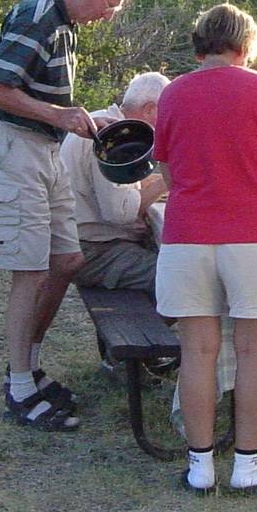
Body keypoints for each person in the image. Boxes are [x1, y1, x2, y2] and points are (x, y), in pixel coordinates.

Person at [0, 0, 138, 432]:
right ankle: (20, 388)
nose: (111, 13)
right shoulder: (38, 17)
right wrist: (59, 117)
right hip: (12, 152)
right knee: (30, 269)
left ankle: (29, 365)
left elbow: (38, 94)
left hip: (44, 150)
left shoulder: (66, 26)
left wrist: (78, 118)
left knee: (67, 259)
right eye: (112, 3)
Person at [152, 3, 257, 494]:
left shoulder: (172, 93)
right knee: (255, 352)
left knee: (196, 352)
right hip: (255, 233)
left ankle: (199, 467)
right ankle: (246, 466)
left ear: (199, 43)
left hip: (187, 235)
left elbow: (168, 173)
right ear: (245, 43)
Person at [59, 71, 172, 373]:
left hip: (88, 242)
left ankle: (146, 352)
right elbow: (121, 213)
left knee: (164, 254)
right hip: (93, 252)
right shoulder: (115, 136)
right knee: (179, 278)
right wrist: (168, 179)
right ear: (150, 110)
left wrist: (147, 194)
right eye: (167, 112)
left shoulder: (103, 121)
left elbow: (126, 198)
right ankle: (138, 353)